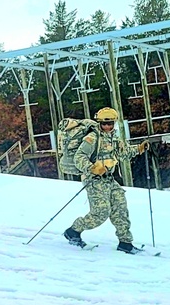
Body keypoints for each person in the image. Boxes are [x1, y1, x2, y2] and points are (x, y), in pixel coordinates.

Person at [63, 107, 149, 254]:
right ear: (100, 123)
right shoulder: (92, 138)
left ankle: (125, 242)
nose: (107, 126)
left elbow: (123, 153)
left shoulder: (114, 138)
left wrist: (139, 149)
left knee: (120, 208)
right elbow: (79, 158)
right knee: (101, 212)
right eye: (104, 124)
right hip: (94, 180)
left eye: (110, 123)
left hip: (109, 179)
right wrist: (92, 168)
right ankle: (73, 231)